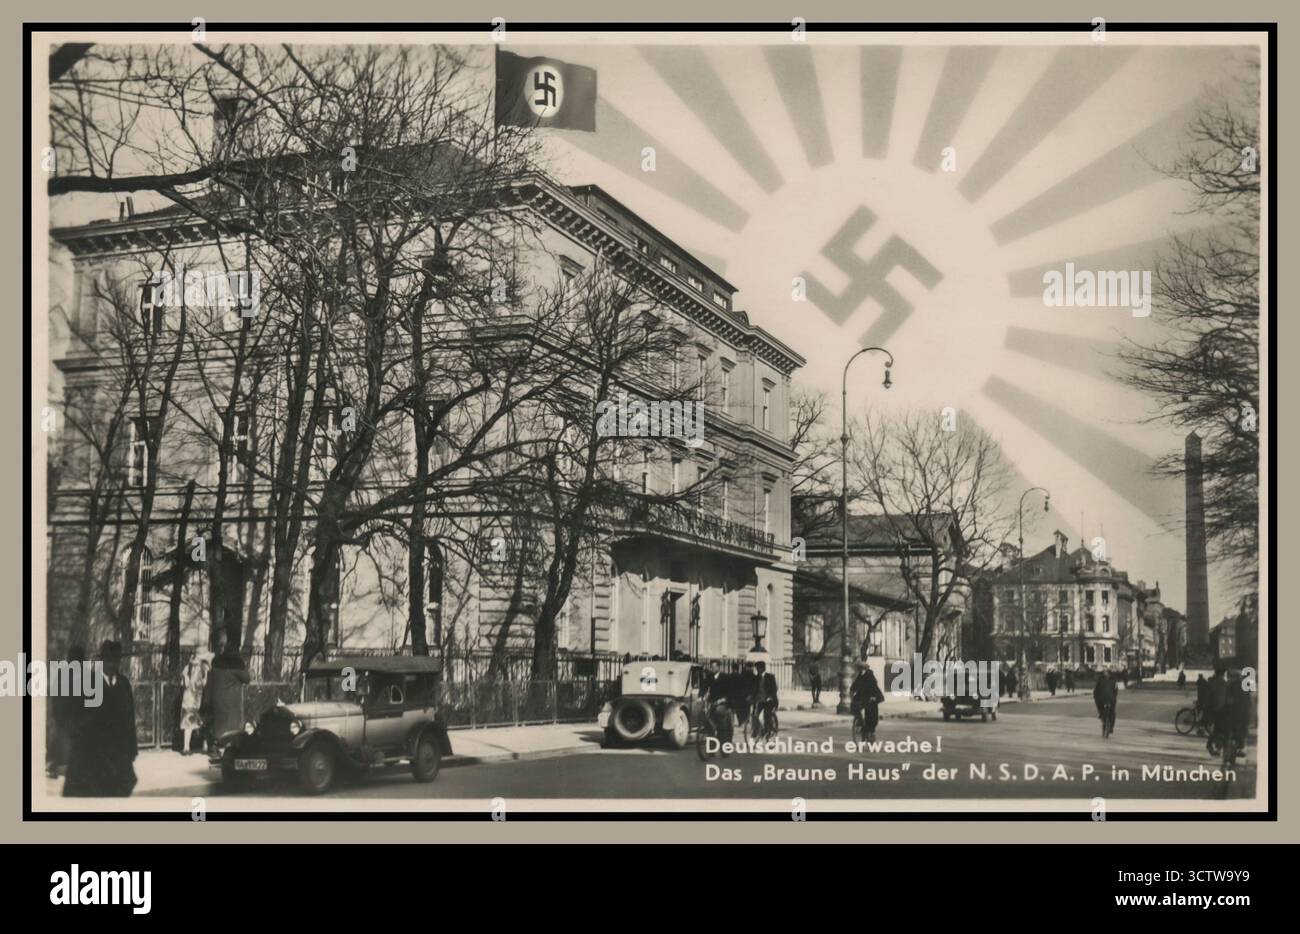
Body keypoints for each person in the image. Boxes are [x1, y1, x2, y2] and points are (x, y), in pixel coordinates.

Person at [63, 640, 137, 797]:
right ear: (102, 661)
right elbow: (78, 717)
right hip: (95, 755)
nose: (112, 664)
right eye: (108, 660)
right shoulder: (89, 683)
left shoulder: (124, 684)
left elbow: (130, 719)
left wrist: (132, 748)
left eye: (116, 660)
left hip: (119, 755)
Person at [202, 630, 251, 752]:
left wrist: (206, 702)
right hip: (232, 702)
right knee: (233, 726)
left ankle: (219, 747)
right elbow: (247, 679)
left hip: (217, 700)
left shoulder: (216, 664)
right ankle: (228, 750)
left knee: (220, 724)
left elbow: (209, 685)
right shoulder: (236, 664)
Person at [47, 644, 86, 778]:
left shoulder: (64, 673)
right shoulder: (76, 674)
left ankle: (54, 763)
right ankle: (57, 764)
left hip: (64, 714)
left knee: (60, 736)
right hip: (69, 715)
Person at [178, 651, 212, 755]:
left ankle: (188, 747)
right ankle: (198, 745)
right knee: (197, 722)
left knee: (192, 722)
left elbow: (185, 684)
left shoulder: (189, 668)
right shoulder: (198, 669)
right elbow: (203, 684)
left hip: (191, 700)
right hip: (195, 699)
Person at [850, 663, 885, 742]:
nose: (860, 670)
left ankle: (870, 731)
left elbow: (873, 686)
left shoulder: (870, 675)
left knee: (872, 715)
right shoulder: (860, 675)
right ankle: (860, 722)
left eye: (861, 668)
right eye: (859, 669)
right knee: (855, 706)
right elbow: (856, 684)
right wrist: (852, 690)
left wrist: (873, 696)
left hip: (872, 696)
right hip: (863, 696)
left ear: (865, 669)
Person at [755, 661, 779, 736]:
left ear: (763, 668)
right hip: (761, 700)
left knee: (767, 715)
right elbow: (754, 690)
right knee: (755, 715)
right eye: (757, 668)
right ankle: (759, 730)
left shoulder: (770, 677)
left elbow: (774, 688)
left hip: (769, 701)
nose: (758, 670)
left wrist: (770, 697)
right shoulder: (756, 678)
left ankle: (771, 729)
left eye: (759, 668)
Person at [1093, 669, 1118, 738]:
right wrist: (1114, 697)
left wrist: (1095, 697)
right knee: (1112, 712)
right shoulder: (1114, 680)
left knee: (1100, 707)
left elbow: (1096, 691)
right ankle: (1111, 727)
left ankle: (1101, 715)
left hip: (1102, 699)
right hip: (1111, 699)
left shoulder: (1100, 680)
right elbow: (1116, 691)